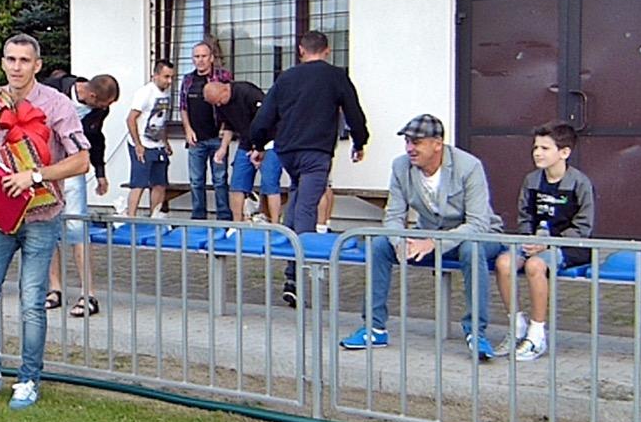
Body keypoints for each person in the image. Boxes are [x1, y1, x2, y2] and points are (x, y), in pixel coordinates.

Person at [0, 34, 89, 410]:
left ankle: (28, 379)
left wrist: (36, 175)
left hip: (42, 217)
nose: (16, 66)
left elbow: (82, 160)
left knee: (32, 301)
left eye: (24, 60)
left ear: (37, 65)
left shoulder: (58, 104)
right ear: (2, 62)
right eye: (10, 59)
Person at [339, 114, 504, 360]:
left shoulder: (469, 166)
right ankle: (374, 328)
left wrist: (434, 242)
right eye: (407, 141)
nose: (409, 148)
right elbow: (393, 216)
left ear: (437, 144)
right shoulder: (400, 166)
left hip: (478, 236)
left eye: (416, 142)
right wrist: (400, 242)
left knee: (472, 248)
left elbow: (477, 224)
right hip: (426, 234)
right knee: (380, 244)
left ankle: (476, 333)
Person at [249, 30, 369, 306]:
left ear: (301, 51)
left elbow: (265, 116)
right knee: (306, 208)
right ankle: (297, 278)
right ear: (327, 51)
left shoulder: (286, 77)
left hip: (287, 151)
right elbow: (354, 112)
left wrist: (257, 144)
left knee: (296, 199)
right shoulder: (335, 76)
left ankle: (291, 271)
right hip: (316, 153)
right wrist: (359, 142)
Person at [493, 122, 595, 361]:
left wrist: (549, 244)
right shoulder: (531, 180)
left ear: (564, 152)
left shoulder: (580, 183)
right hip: (534, 243)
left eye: (545, 148)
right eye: (535, 147)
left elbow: (583, 226)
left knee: (535, 266)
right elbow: (525, 216)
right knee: (504, 263)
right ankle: (516, 327)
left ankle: (537, 334)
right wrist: (529, 239)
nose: (537, 153)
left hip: (570, 246)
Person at [40, 73, 121, 317]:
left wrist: (100, 172)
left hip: (73, 168)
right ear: (92, 96)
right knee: (48, 226)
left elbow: (96, 138)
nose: (105, 109)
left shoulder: (99, 110)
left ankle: (88, 294)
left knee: (77, 228)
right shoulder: (54, 90)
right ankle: (54, 288)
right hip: (47, 166)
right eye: (104, 104)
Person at [203, 80, 283, 223]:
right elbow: (229, 126)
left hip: (269, 140)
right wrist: (223, 148)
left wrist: (259, 148)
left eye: (219, 101)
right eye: (216, 104)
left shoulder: (247, 92)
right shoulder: (221, 104)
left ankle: (275, 223)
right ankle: (237, 223)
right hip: (247, 141)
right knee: (237, 183)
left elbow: (267, 119)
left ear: (225, 90)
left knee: (269, 182)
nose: (219, 105)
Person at [180, 41, 232, 220]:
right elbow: (183, 107)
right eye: (197, 56)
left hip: (218, 138)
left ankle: (224, 218)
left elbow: (230, 105)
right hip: (196, 139)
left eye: (204, 56)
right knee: (196, 181)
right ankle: (198, 218)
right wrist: (187, 130)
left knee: (220, 180)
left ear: (211, 58)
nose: (200, 60)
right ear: (192, 59)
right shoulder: (188, 80)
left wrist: (225, 129)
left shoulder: (223, 76)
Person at [126, 60, 174, 218]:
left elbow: (161, 120)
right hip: (142, 142)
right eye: (166, 77)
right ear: (156, 75)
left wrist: (165, 141)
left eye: (171, 77)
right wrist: (138, 145)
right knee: (139, 183)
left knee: (160, 183)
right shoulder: (145, 93)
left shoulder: (166, 93)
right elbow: (131, 119)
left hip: (158, 143)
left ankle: (155, 216)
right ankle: (131, 217)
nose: (169, 81)